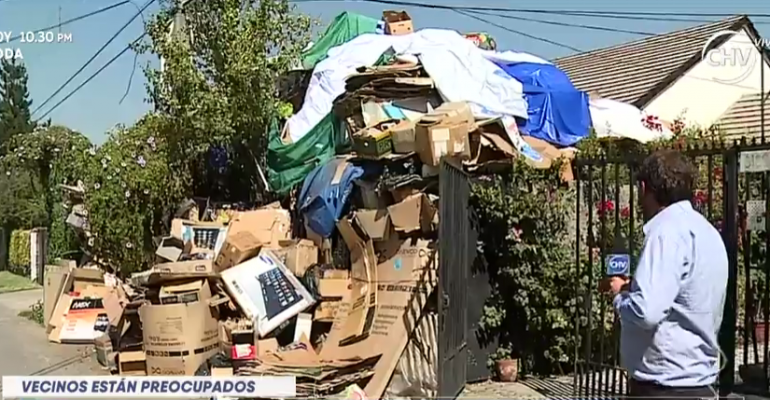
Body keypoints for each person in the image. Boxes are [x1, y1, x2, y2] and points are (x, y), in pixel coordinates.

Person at [601, 150, 728, 400]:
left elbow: (646, 312)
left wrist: (619, 296)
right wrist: (632, 289)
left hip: (664, 386)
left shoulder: (666, 233)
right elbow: (680, 295)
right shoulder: (706, 231)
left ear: (645, 188)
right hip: (697, 383)